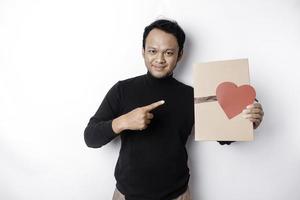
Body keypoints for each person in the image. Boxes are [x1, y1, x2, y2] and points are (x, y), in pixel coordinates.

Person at [84, 19, 264, 200]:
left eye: (168, 53)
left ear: (180, 55)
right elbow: (90, 137)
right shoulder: (122, 90)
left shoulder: (193, 96)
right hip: (126, 195)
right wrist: (123, 121)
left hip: (177, 195)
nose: (159, 59)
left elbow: (223, 136)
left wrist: (248, 121)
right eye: (152, 51)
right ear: (143, 52)